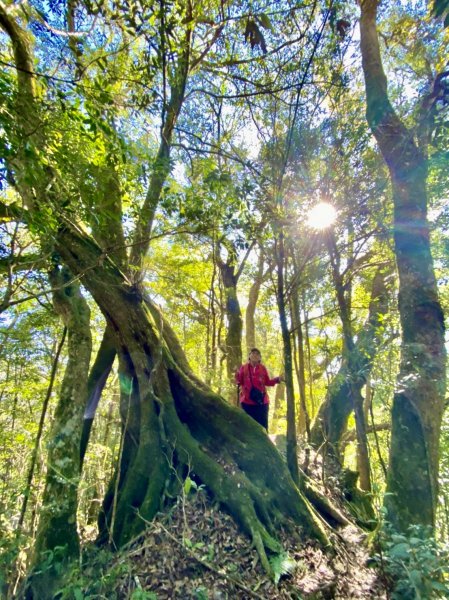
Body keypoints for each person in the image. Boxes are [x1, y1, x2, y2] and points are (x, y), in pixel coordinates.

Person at [235, 348, 283, 431]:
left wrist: (278, 379)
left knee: (263, 427)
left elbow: (267, 382)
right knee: (248, 428)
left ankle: (264, 444)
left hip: (262, 402)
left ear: (260, 358)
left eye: (257, 354)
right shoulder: (244, 368)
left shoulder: (262, 368)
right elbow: (239, 382)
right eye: (253, 353)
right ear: (249, 356)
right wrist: (236, 374)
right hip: (247, 403)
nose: (255, 355)